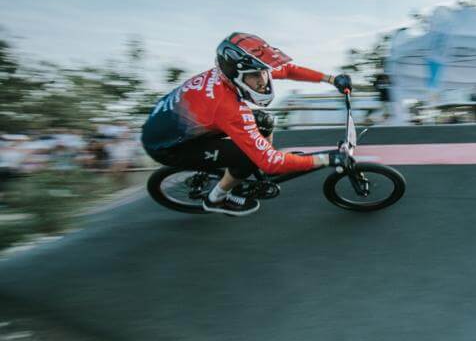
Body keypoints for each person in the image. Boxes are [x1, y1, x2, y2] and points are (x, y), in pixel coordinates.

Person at [141, 32, 352, 216]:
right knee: (248, 159)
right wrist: (328, 159)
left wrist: (331, 79)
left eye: (263, 73)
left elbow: (288, 70)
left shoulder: (238, 71)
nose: (263, 80)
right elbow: (271, 163)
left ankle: (259, 158)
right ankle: (217, 199)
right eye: (256, 76)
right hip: (169, 147)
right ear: (237, 75)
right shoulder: (228, 108)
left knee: (264, 121)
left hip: (175, 122)